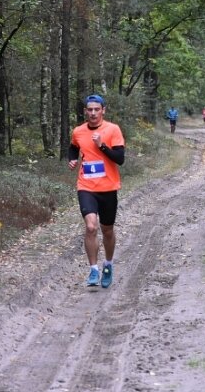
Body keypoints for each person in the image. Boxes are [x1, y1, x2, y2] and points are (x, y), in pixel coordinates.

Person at [68, 94, 126, 288]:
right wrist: (73, 159)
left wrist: (101, 144)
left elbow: (120, 158)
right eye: (89, 109)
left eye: (96, 109)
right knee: (91, 227)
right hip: (86, 187)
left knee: (107, 231)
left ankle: (108, 265)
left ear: (103, 110)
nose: (93, 113)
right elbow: (73, 147)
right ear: (85, 111)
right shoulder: (78, 131)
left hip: (108, 188)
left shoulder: (113, 130)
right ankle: (93, 270)